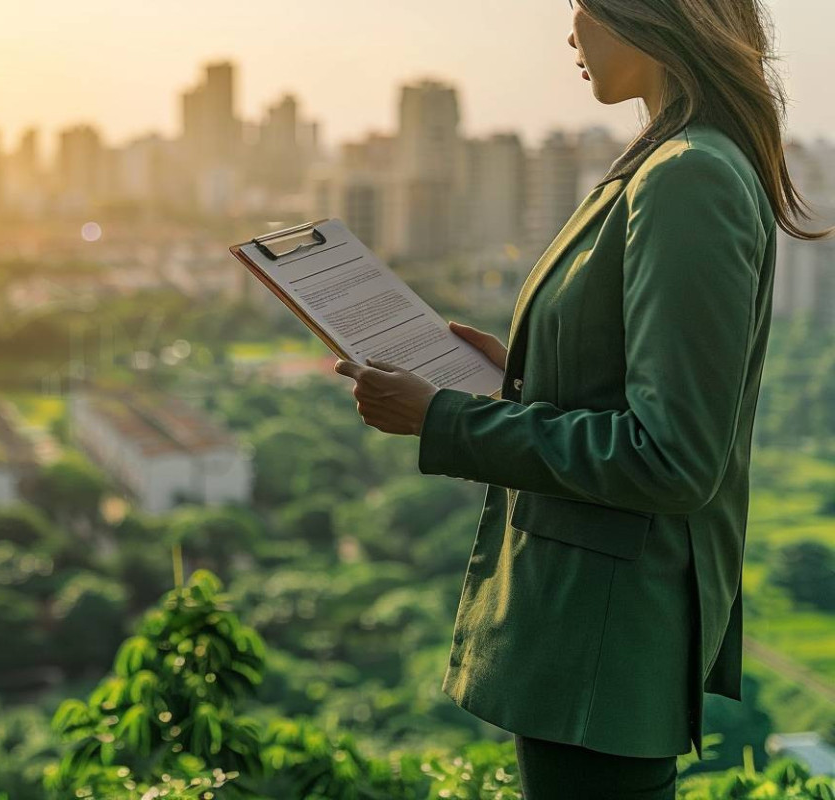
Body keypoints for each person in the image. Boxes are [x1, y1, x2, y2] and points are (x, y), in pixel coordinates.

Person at [333, 0, 832, 797]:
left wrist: (443, 419)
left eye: (581, 10)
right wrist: (522, 381)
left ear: (647, 14)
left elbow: (673, 459)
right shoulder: (664, 160)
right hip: (590, 637)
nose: (570, 34)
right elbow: (629, 381)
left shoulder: (689, 174)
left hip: (605, 641)